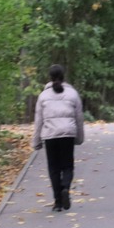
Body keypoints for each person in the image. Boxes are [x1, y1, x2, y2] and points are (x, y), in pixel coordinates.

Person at [32, 64, 85, 212]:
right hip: (68, 134)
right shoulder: (73, 94)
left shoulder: (43, 96)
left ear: (49, 77)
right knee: (67, 166)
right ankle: (66, 189)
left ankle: (57, 202)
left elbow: (38, 121)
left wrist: (36, 141)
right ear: (64, 76)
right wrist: (79, 137)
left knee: (54, 168)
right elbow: (79, 118)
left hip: (50, 135)